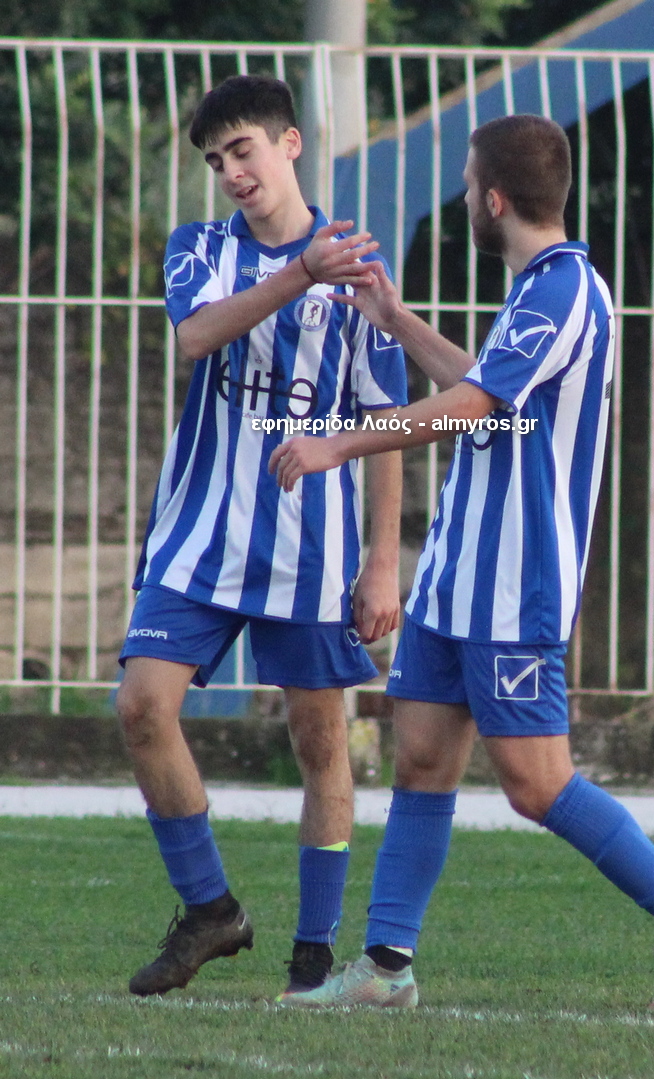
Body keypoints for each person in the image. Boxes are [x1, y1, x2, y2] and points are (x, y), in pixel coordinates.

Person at [268, 114, 654, 1011]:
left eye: (465, 185)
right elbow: (484, 390)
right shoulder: (534, 290)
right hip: (457, 580)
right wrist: (396, 319)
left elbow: (474, 403)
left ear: (494, 199)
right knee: (420, 762)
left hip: (515, 588)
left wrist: (339, 443)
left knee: (536, 783)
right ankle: (386, 967)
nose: (461, 200)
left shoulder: (566, 289)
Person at [116, 74, 407, 1000]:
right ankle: (211, 910)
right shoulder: (201, 248)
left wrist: (383, 558)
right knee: (141, 707)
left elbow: (387, 419)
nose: (232, 172)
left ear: (289, 143)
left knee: (321, 743)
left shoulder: (359, 267)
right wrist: (297, 275)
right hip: (198, 533)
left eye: (242, 149)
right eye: (216, 160)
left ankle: (312, 959)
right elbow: (196, 337)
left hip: (309, 553)